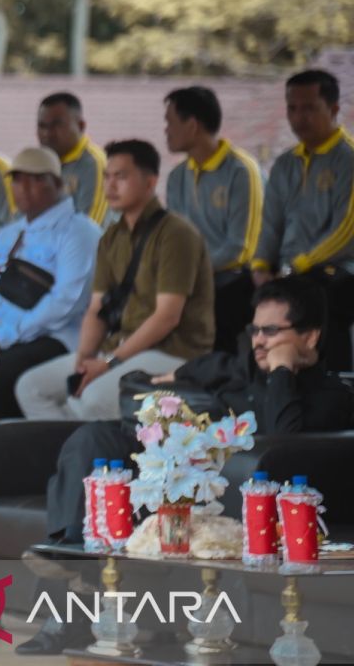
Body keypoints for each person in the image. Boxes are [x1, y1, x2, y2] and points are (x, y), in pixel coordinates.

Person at [19, 276, 354, 656]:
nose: (259, 341)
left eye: (272, 331)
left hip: (222, 491)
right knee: (92, 439)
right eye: (255, 330)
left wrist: (281, 375)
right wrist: (165, 390)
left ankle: (70, 597)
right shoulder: (237, 368)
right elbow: (162, 381)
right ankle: (69, 553)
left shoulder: (330, 396)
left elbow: (285, 443)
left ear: (310, 336)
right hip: (175, 475)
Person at [15, 140, 214, 421]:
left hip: (174, 352)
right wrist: (84, 359)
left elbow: (167, 317)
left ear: (150, 182)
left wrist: (109, 362)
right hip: (122, 349)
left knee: (93, 398)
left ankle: (93, 456)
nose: (110, 186)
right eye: (107, 177)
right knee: (31, 387)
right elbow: (98, 309)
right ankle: (69, 458)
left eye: (121, 177)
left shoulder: (176, 234)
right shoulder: (110, 238)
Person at [0, 147, 101, 420]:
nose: (25, 188)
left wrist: (8, 334)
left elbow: (66, 301)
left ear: (58, 184)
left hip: (53, 339)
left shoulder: (80, 231)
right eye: (18, 179)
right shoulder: (9, 233)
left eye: (37, 179)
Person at [252, 69, 354, 371]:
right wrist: (260, 267)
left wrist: (297, 266)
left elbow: (346, 231)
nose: (299, 117)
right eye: (292, 108)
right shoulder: (285, 165)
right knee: (253, 301)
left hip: (338, 271)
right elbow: (269, 223)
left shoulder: (347, 160)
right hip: (290, 273)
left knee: (321, 300)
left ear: (334, 109)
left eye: (309, 108)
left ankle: (337, 387)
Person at [164, 86, 264, 355]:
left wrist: (192, 273)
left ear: (193, 125)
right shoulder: (176, 177)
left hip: (234, 282)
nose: (166, 130)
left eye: (170, 122)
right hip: (194, 282)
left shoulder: (241, 170)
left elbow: (241, 248)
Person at [36, 92, 109, 225]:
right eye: (42, 126)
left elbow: (90, 229)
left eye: (56, 125)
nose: (47, 133)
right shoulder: (40, 163)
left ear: (81, 126)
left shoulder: (94, 163)